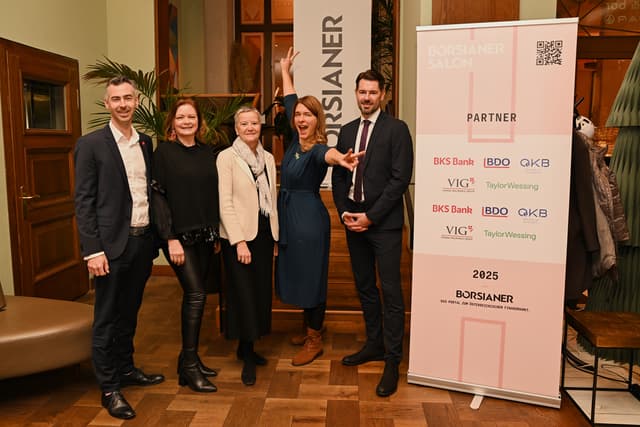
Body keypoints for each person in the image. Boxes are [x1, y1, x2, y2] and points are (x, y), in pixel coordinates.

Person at [74, 76, 165, 420]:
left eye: (128, 98)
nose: (123, 104)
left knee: (130, 312)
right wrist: (92, 250)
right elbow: (84, 201)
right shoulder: (90, 144)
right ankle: (110, 388)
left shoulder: (144, 142)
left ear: (137, 101)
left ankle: (126, 369)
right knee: (106, 319)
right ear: (107, 104)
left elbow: (146, 192)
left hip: (141, 243)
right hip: (109, 249)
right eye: (116, 99)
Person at [277, 47, 362, 366]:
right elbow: (289, 99)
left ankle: (315, 339)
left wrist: (342, 159)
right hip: (291, 218)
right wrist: (285, 70)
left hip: (309, 222)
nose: (301, 119)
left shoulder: (317, 148)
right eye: (298, 115)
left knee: (312, 276)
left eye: (307, 115)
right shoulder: (294, 140)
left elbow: (329, 156)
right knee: (300, 273)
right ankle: (309, 327)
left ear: (317, 120)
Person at [332, 69, 414, 397]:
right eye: (362, 92)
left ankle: (392, 360)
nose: (367, 97)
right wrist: (344, 212)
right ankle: (374, 344)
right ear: (356, 94)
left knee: (390, 291)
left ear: (382, 95)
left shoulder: (397, 129)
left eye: (372, 92)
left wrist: (371, 217)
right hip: (354, 221)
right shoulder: (347, 131)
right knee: (365, 286)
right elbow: (339, 177)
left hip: (384, 225)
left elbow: (400, 179)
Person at [152, 98, 220, 393]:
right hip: (179, 237)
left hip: (205, 235)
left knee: (197, 295)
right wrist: (170, 238)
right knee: (196, 294)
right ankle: (190, 367)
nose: (187, 121)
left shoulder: (207, 152)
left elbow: (211, 194)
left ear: (199, 121)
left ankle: (187, 360)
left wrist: (215, 234)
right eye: (181, 117)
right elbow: (158, 197)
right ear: (172, 122)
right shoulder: (164, 153)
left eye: (191, 117)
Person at [216, 105, 279, 386]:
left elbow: (272, 200)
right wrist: (239, 241)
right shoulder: (226, 158)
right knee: (243, 293)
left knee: (260, 291)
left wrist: (275, 237)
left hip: (263, 234)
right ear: (236, 128)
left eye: (254, 123)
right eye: (244, 124)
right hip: (239, 237)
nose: (250, 128)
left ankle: (247, 346)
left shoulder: (268, 158)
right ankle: (248, 355)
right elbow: (225, 202)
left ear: (260, 126)